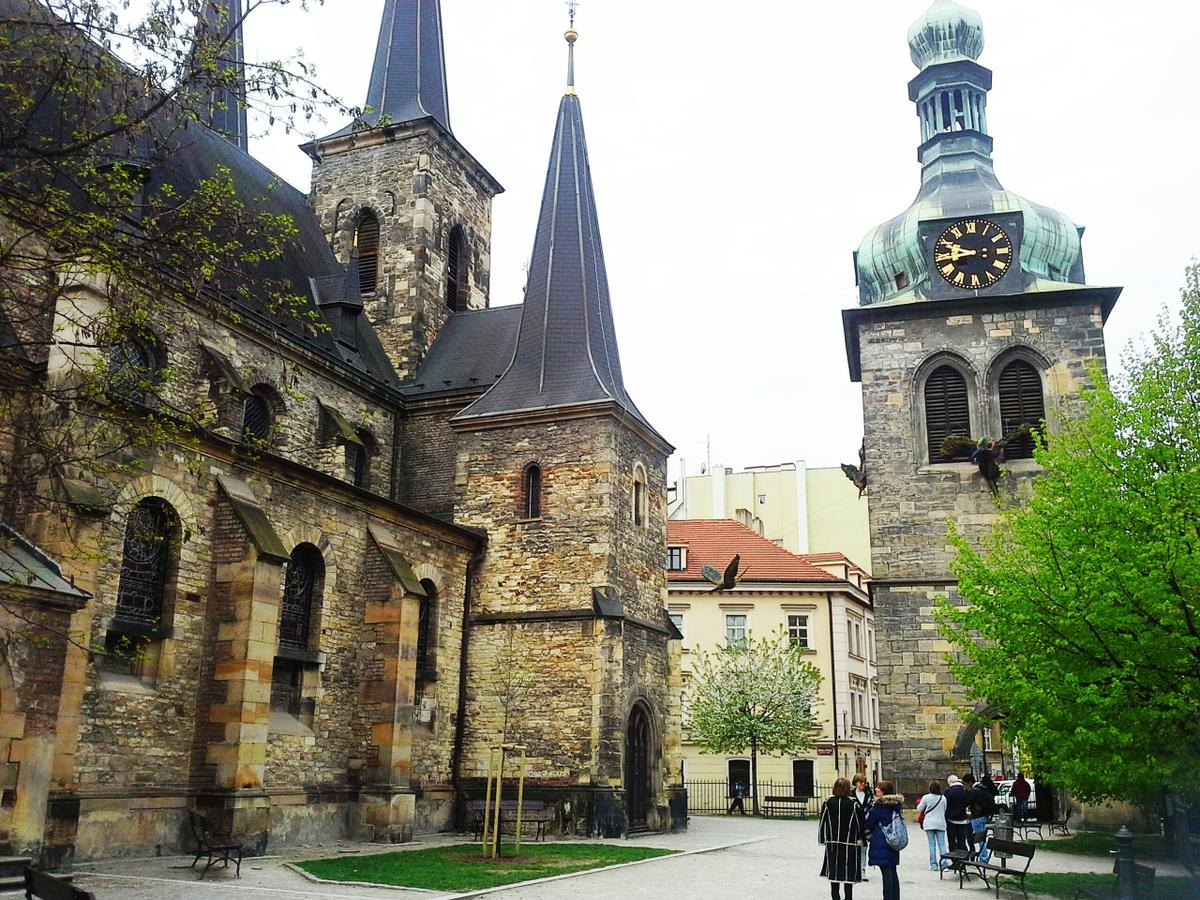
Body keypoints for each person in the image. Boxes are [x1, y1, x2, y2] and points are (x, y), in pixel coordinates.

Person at [819, 777, 866, 900]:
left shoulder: (828, 802)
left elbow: (822, 821)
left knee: (834, 871)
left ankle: (835, 897)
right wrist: (863, 839)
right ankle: (848, 898)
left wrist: (822, 839)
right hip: (849, 842)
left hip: (832, 842)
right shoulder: (853, 804)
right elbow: (860, 823)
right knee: (848, 872)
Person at [865, 779, 905, 900]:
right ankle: (895, 897)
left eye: (878, 788)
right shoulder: (895, 805)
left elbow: (870, 822)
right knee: (892, 871)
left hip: (881, 842)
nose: (876, 789)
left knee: (886, 873)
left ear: (883, 791)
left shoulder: (880, 805)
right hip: (892, 841)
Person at [916, 780, 948, 871]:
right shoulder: (943, 798)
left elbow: (919, 809)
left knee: (931, 844)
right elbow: (945, 809)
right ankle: (944, 864)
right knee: (942, 844)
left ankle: (933, 864)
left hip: (929, 822)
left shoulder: (926, 797)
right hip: (941, 822)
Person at [967, 774, 996, 863]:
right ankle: (984, 856)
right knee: (982, 837)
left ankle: (984, 858)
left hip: (977, 816)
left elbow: (968, 801)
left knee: (979, 839)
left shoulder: (974, 790)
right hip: (984, 815)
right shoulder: (983, 788)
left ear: (970, 782)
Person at [852, 774, 874, 881]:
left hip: (865, 824)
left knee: (864, 848)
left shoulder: (868, 795)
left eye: (864, 782)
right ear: (856, 783)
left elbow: (871, 809)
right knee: (854, 847)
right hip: (854, 825)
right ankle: (855, 869)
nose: (863, 784)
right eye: (861, 782)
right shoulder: (851, 795)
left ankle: (862, 869)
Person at [944, 773, 972, 855]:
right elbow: (968, 802)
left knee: (952, 841)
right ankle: (963, 858)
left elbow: (945, 804)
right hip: (962, 819)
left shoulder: (948, 791)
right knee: (962, 840)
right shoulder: (965, 790)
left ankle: (955, 860)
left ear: (950, 782)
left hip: (951, 819)